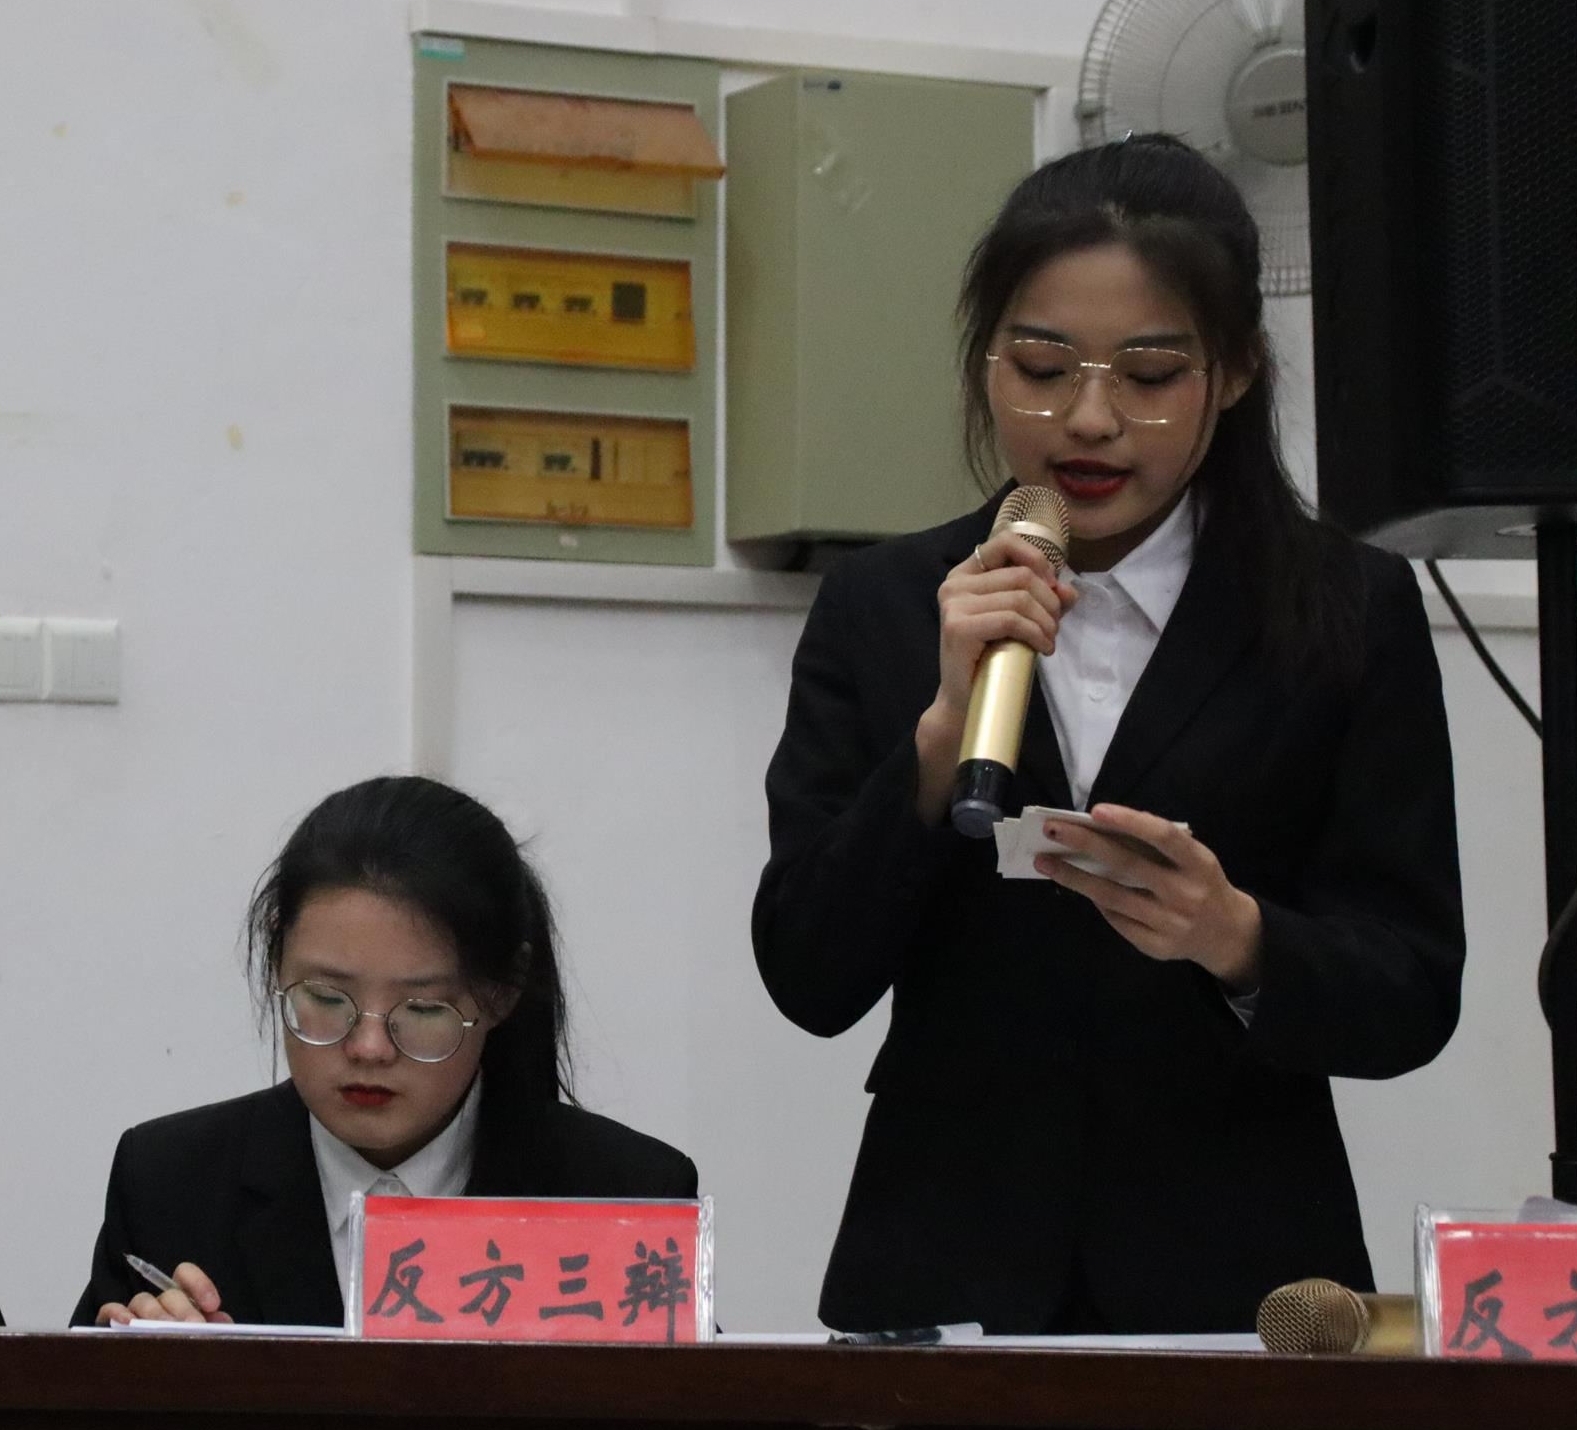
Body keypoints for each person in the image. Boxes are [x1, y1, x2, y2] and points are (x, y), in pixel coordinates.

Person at [752, 134, 1464, 1336]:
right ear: (985, 360)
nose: (1087, 419)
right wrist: (936, 742)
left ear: (1232, 373)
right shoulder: (887, 604)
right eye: (1040, 367)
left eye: (1148, 374)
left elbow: (1411, 991)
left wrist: (1233, 936)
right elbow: (807, 976)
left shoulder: (1346, 609)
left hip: (1236, 1266)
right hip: (945, 1262)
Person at [75, 775, 696, 1327]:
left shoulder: (625, 1197)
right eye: (327, 998)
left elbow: (684, 1418)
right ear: (277, 963)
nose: (368, 1048)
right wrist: (142, 1371)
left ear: (502, 991)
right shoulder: (170, 1183)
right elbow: (72, 1417)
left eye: (422, 1009)